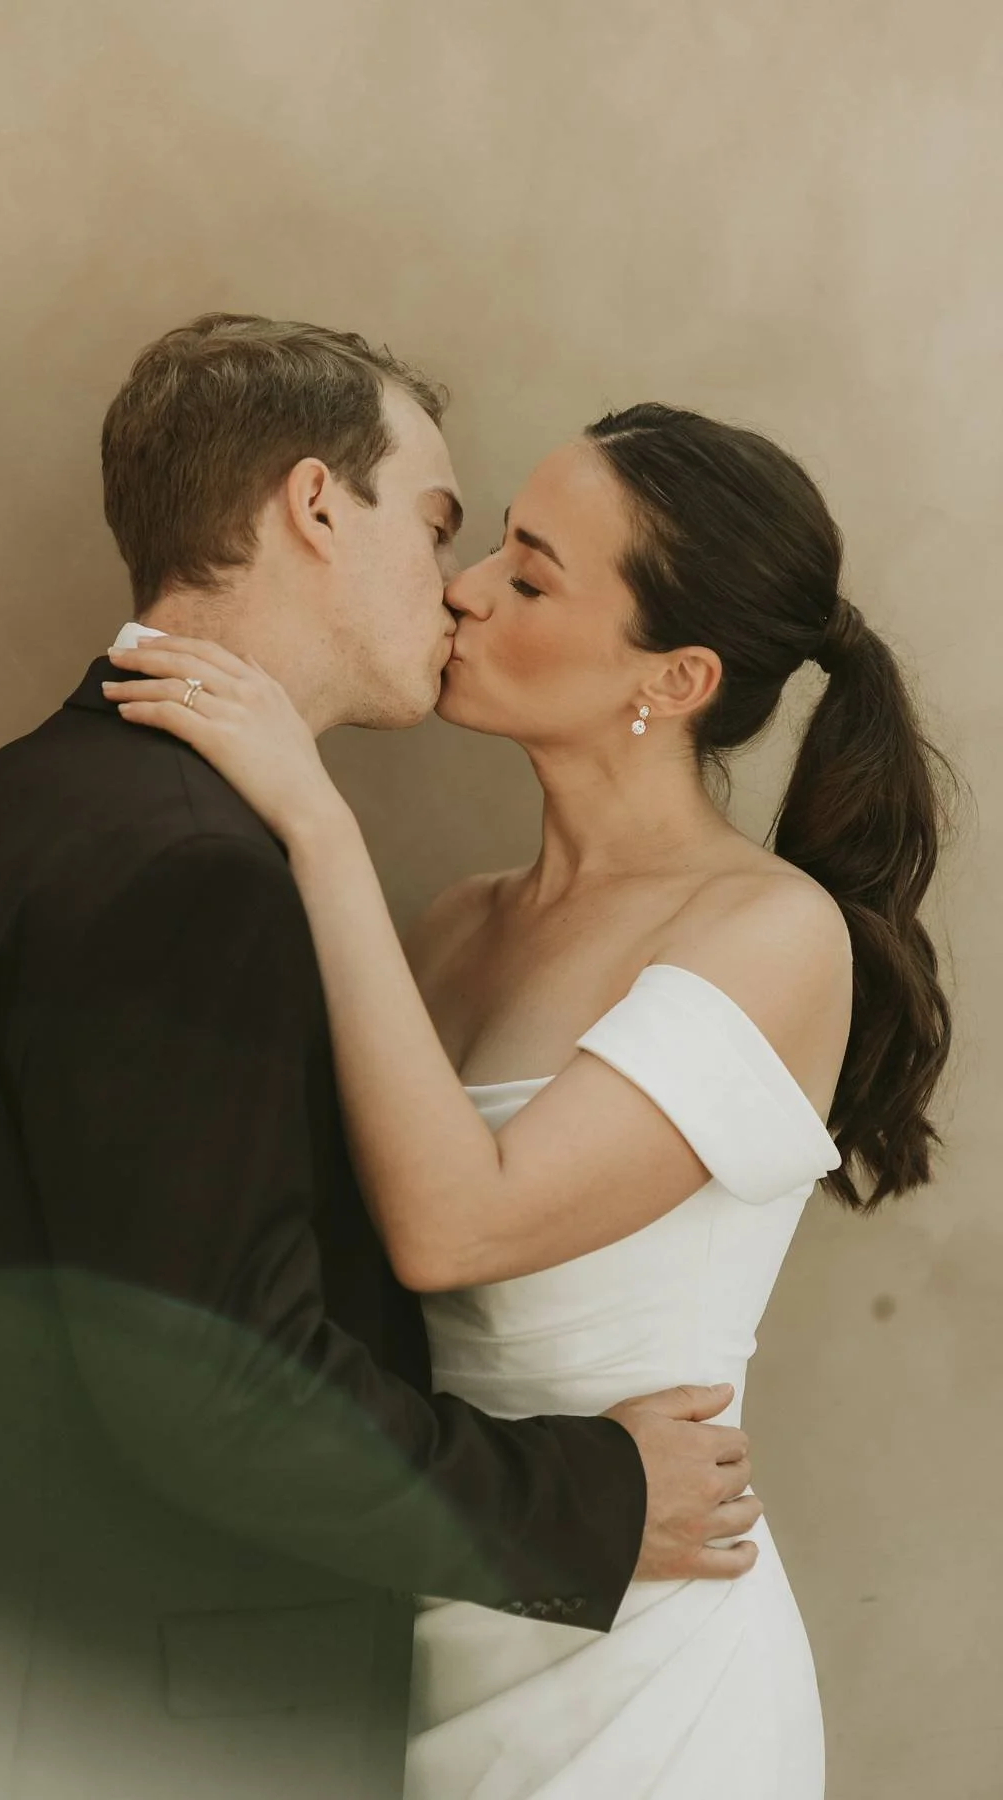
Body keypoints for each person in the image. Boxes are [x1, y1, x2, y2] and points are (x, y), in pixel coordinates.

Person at [0, 319, 761, 1800]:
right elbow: (220, 1392)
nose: (453, 586)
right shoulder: (189, 870)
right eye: (439, 522)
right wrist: (594, 1499)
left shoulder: (2, 816)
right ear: (318, 506)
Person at [103, 396, 955, 1798]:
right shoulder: (447, 930)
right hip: (427, 1611)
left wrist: (313, 819)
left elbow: (454, 1229)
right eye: (494, 545)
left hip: (646, 1674)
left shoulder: (771, 933)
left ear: (675, 680)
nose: (465, 589)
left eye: (531, 575)